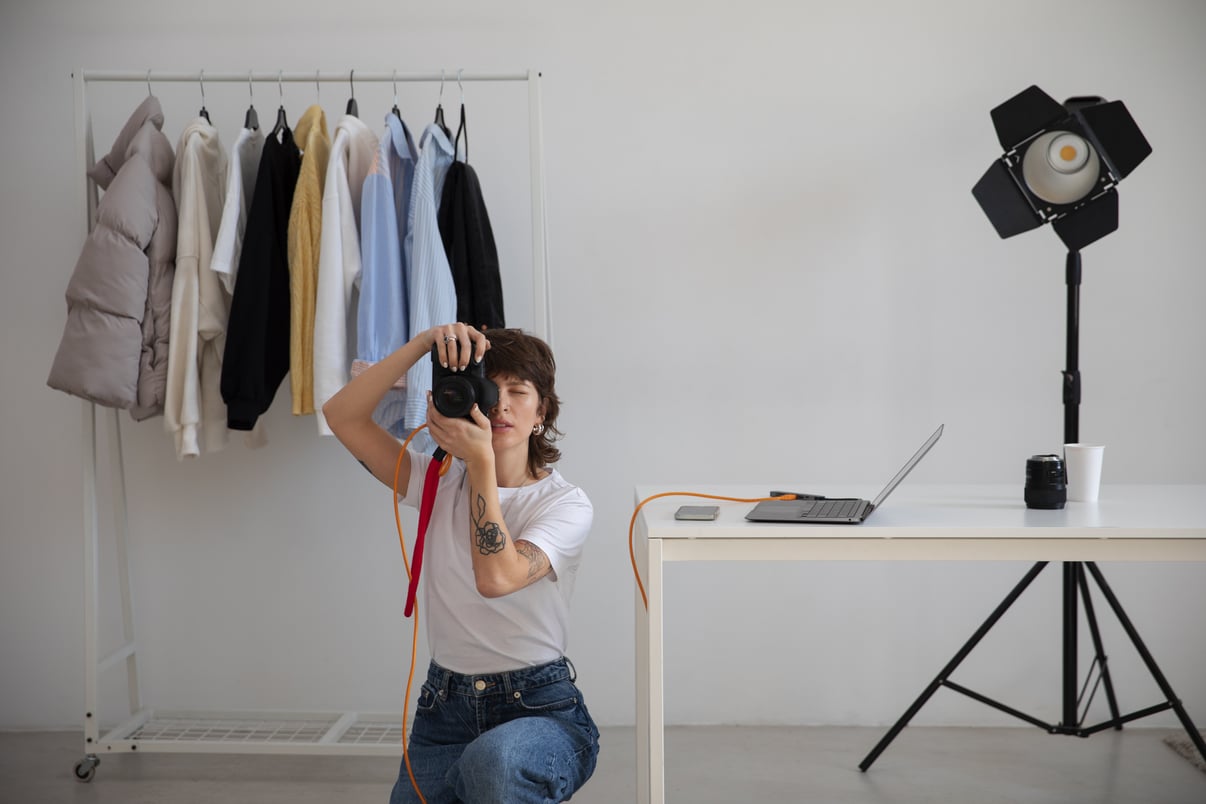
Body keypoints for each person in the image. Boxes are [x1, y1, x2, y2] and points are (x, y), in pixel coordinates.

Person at [323, 322, 600, 804]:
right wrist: (420, 345)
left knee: (495, 764)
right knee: (478, 768)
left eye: (520, 391)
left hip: (540, 710)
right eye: (492, 389)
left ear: (542, 412)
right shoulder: (433, 480)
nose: (503, 404)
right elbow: (341, 416)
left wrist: (480, 463)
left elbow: (496, 577)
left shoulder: (566, 504)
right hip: (443, 710)